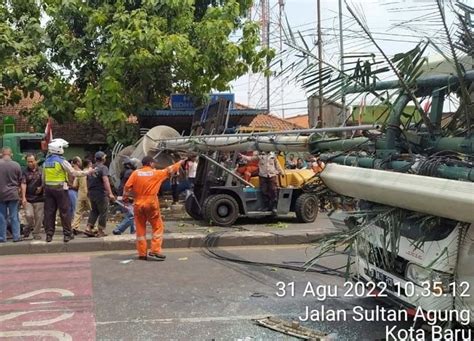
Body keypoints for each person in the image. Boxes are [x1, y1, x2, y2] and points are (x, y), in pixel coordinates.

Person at [123, 156, 184, 261]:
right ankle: (155, 251)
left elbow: (127, 187)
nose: (155, 164)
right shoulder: (156, 173)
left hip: (138, 203)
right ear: (150, 163)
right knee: (157, 227)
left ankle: (142, 253)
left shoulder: (135, 173)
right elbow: (170, 169)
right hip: (151, 203)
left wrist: (127, 197)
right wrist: (180, 162)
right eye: (154, 163)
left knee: (140, 229)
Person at [43, 139, 93, 243]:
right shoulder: (62, 161)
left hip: (48, 189)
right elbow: (73, 172)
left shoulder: (46, 161)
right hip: (60, 189)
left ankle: (49, 235)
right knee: (65, 212)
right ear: (58, 149)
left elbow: (43, 177)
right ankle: (67, 234)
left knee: (49, 213)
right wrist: (87, 172)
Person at [84, 151, 115, 237]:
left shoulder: (91, 167)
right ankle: (100, 230)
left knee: (94, 211)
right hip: (101, 193)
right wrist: (110, 193)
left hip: (91, 192)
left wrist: (88, 191)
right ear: (103, 159)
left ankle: (88, 228)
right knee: (103, 211)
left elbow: (87, 179)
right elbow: (105, 180)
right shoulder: (103, 168)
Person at [0, 147, 22, 243]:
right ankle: (16, 236)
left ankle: (2, 237)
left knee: (2, 216)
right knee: (14, 216)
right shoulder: (16, 165)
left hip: (1, 194)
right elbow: (20, 180)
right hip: (13, 193)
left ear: (1, 154)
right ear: (11, 154)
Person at [21, 154, 44, 240]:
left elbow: (45, 181)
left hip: (39, 198)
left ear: (36, 161)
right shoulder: (24, 171)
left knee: (39, 217)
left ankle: (36, 233)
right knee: (29, 215)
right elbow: (23, 183)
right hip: (28, 198)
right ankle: (28, 227)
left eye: (31, 161)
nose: (30, 163)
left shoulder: (41, 171)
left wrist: (41, 187)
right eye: (28, 162)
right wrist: (23, 197)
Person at [112, 158, 137, 235]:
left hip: (123, 194)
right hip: (127, 195)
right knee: (132, 214)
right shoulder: (131, 173)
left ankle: (134, 231)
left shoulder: (124, 172)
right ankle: (119, 229)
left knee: (133, 213)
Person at [71, 159, 92, 233]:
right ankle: (92, 227)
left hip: (80, 194)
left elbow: (74, 185)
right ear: (89, 164)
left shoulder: (80, 173)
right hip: (89, 194)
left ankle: (74, 226)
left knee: (78, 212)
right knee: (93, 211)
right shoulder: (91, 172)